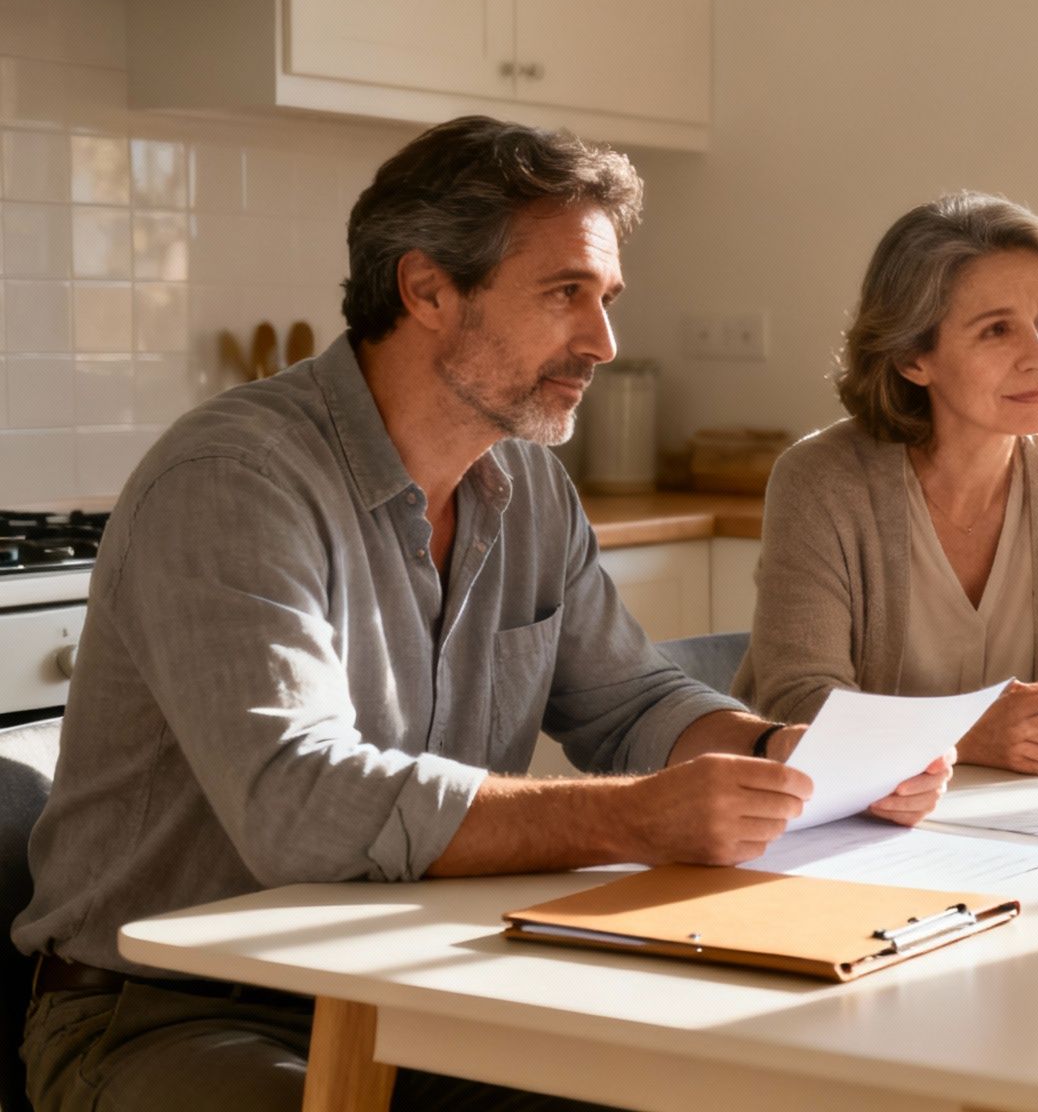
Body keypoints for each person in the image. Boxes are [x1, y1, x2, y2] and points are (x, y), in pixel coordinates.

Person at [11, 116, 951, 1112]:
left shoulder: (526, 484)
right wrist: (640, 817)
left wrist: (776, 757)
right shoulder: (235, 481)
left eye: (605, 298)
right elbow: (296, 799)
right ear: (426, 289)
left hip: (418, 984)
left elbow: (627, 701)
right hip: (176, 1012)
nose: (603, 341)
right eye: (563, 295)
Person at [732, 192, 1038, 775]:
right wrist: (969, 735)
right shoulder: (820, 481)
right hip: (836, 816)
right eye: (997, 330)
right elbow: (800, 702)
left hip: (1013, 819)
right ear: (912, 359)